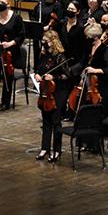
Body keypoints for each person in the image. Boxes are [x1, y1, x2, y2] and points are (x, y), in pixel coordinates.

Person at [35, 30, 72, 164]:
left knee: (56, 121)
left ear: (53, 42)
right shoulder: (43, 54)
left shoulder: (60, 57)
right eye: (43, 40)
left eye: (46, 41)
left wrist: (54, 77)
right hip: (45, 92)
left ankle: (57, 150)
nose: (43, 43)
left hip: (58, 92)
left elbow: (68, 75)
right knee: (46, 121)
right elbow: (38, 69)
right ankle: (44, 148)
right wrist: (37, 75)